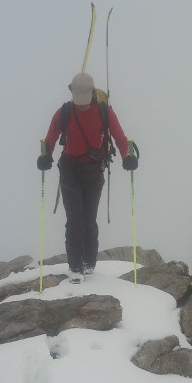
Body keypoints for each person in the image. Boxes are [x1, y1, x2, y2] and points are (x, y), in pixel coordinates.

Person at [37, 72, 137, 283]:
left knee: (89, 218)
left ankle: (89, 262)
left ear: (92, 94)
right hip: (70, 170)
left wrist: (127, 157)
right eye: (78, 101)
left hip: (94, 170)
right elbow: (51, 138)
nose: (82, 106)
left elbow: (120, 137)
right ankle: (75, 266)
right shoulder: (64, 112)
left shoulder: (104, 112)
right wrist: (45, 157)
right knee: (75, 219)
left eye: (85, 101)